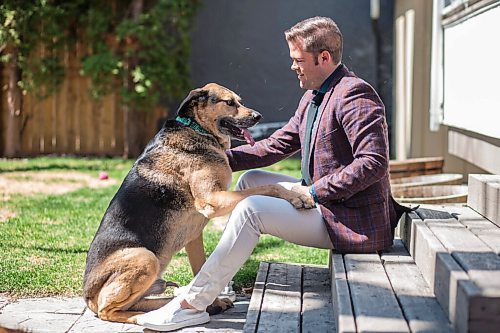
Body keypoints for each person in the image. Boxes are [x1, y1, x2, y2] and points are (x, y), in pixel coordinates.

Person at [137, 16, 401, 331]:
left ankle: (191, 305)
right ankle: (216, 284)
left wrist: (314, 192)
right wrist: (202, 161)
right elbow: (276, 146)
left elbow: (373, 162)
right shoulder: (315, 96)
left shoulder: (355, 95)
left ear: (324, 58)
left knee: (251, 209)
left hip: (352, 220)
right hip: (330, 205)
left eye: (298, 60)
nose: (293, 67)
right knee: (250, 182)